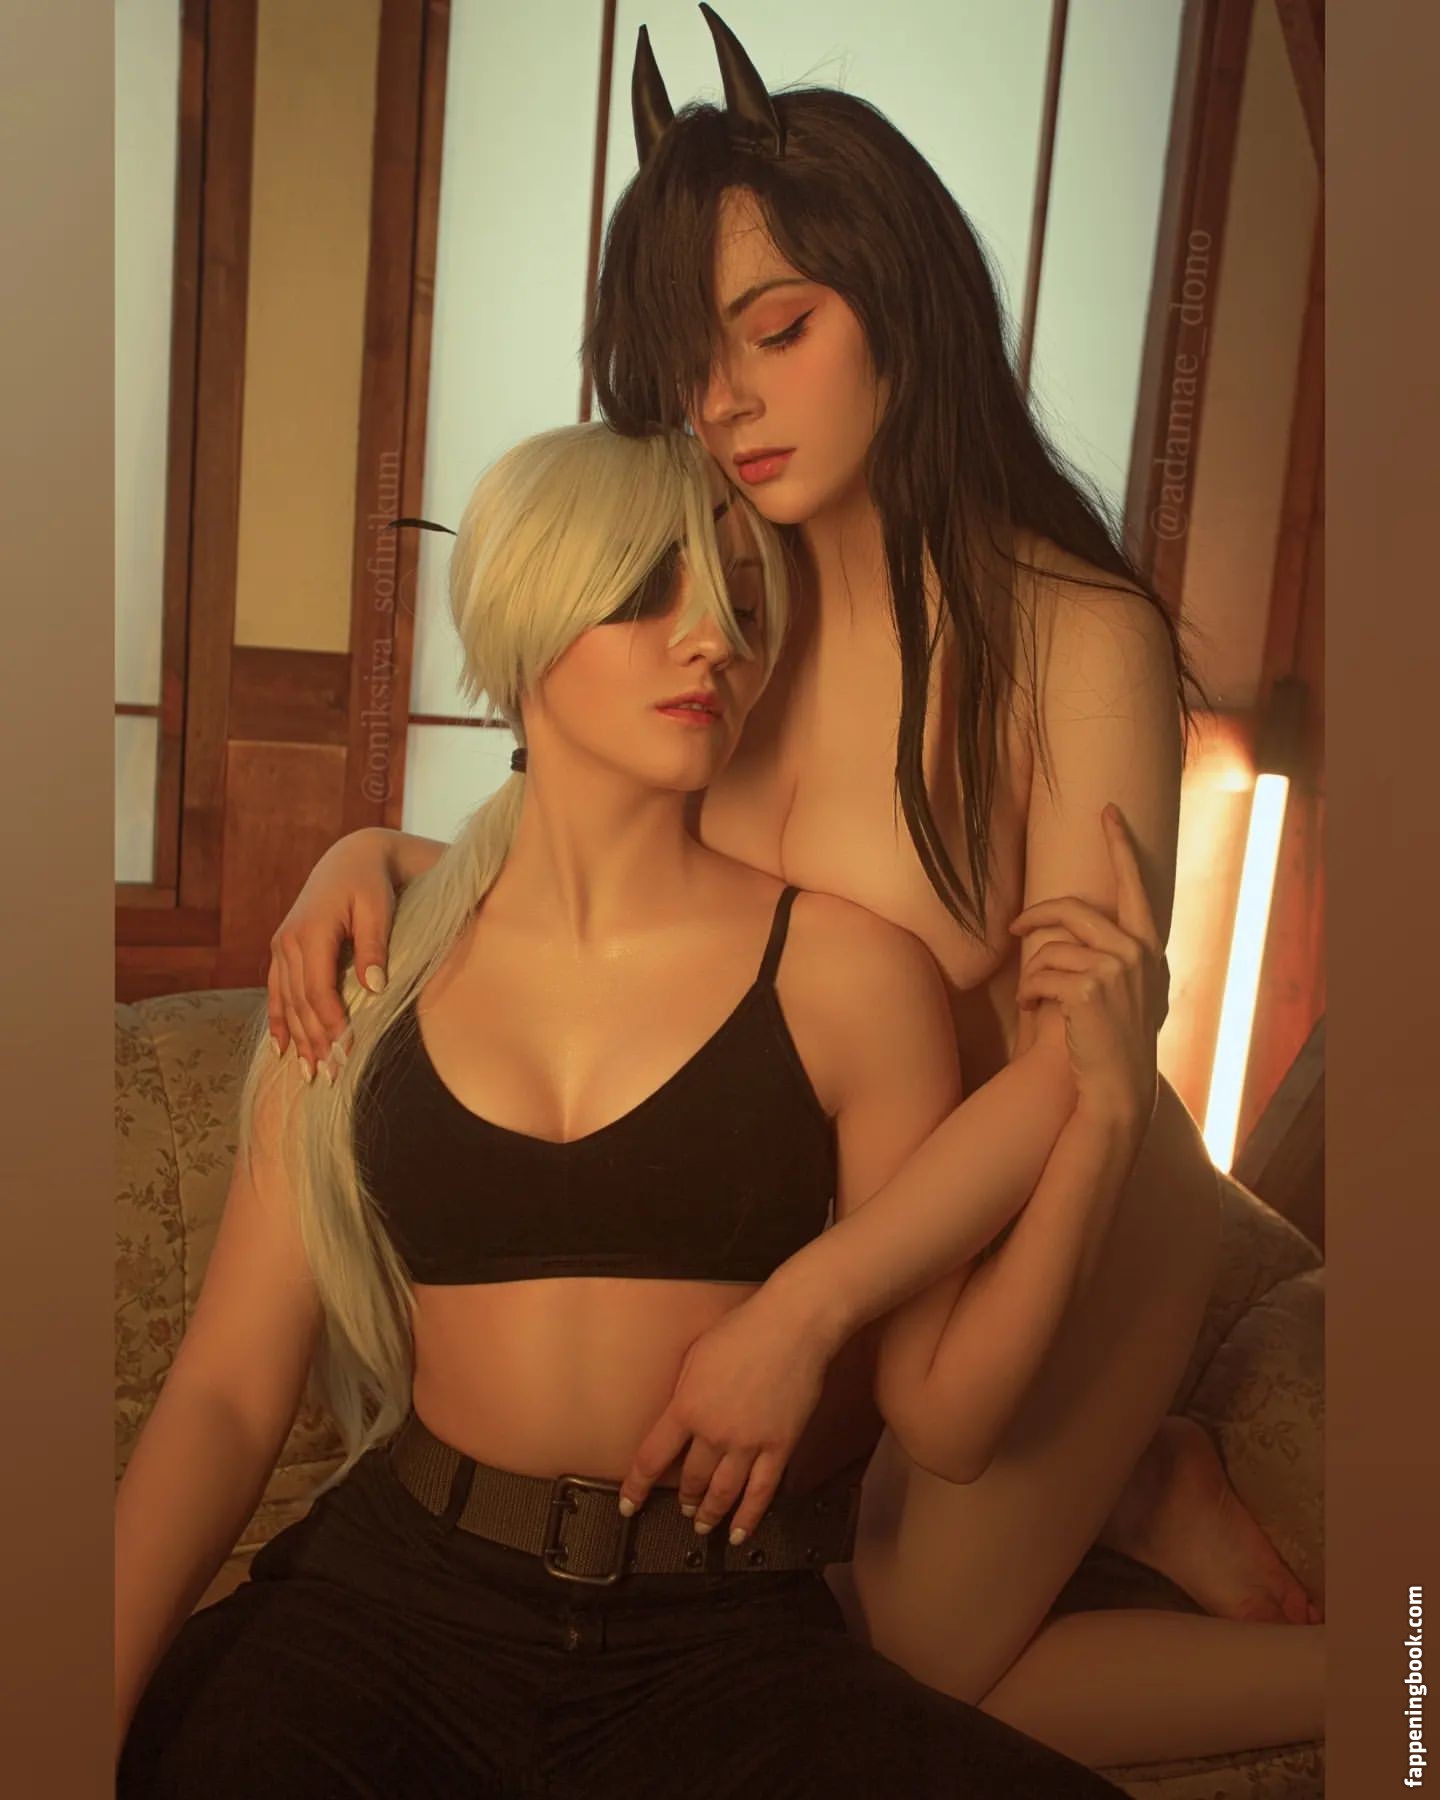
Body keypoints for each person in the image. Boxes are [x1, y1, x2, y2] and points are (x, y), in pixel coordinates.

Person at [259, 7, 1325, 1769]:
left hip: (1059, 1192)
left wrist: (804, 1306)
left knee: (907, 1663)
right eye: (692, 359)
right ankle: (1138, 1482)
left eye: (780, 330)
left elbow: (1086, 1045)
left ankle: (1393, 1684)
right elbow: (622, 896)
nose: (727, 401)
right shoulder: (724, 619)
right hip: (873, 1237)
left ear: (902, 303)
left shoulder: (1075, 634)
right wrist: (363, 854)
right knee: (787, 1644)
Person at [116, 421, 1133, 1797]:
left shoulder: (847, 977)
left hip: (721, 1646)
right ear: (527, 611)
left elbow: (948, 1420)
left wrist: (1106, 1120)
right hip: (388, 1612)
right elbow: (228, 1396)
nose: (712, 640)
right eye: (650, 590)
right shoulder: (369, 961)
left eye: (742, 606)